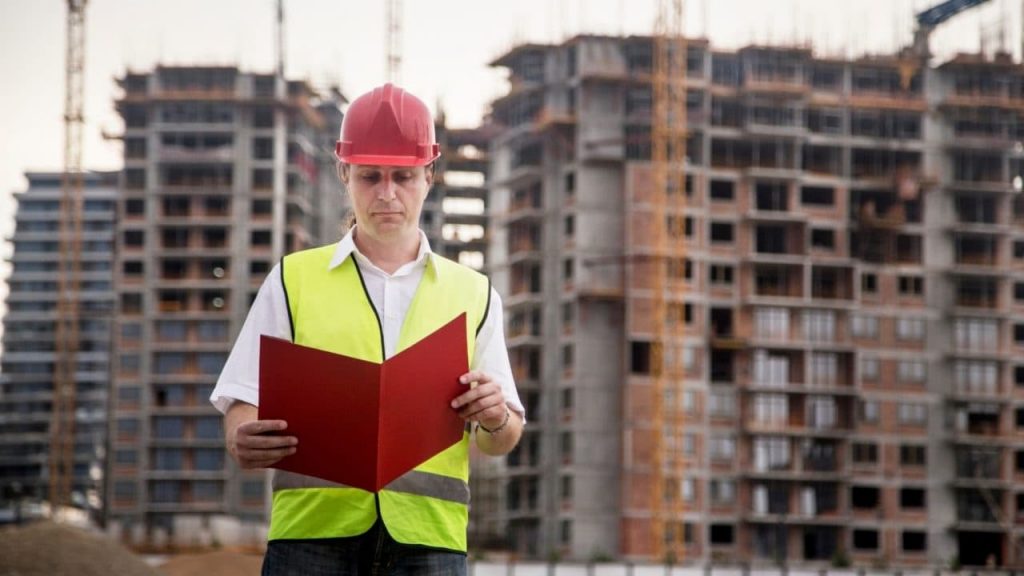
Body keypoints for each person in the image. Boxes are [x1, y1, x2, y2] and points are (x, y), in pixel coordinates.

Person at [211, 83, 525, 575]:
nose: (386, 194)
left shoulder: (475, 293)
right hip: (312, 537)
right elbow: (242, 394)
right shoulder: (294, 279)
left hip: (429, 542)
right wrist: (240, 435)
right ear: (344, 174)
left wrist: (494, 417)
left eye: (402, 176)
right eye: (369, 177)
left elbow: (501, 436)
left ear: (429, 176)